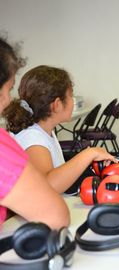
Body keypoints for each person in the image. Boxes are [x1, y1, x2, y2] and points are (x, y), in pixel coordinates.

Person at [3, 65, 117, 194]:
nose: (73, 102)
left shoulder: (44, 131)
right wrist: (89, 153)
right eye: (70, 97)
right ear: (57, 105)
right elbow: (47, 185)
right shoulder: (32, 137)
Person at [0, 35, 70, 229]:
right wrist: (89, 154)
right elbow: (56, 217)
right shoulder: (8, 145)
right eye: (8, 89)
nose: (8, 100)